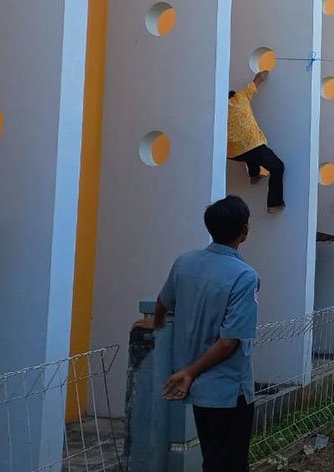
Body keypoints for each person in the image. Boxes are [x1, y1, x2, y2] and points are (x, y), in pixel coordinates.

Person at [134, 196, 260, 472]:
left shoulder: (185, 263)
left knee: (212, 458)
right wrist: (190, 371)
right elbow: (228, 342)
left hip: (198, 389)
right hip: (228, 390)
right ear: (245, 231)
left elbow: (163, 301)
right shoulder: (244, 276)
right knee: (230, 464)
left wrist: (156, 323)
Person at [228, 70, 285, 213]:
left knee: (251, 155)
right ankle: (274, 204)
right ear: (233, 95)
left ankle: (254, 175)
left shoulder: (219, 108)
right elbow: (259, 78)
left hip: (232, 154)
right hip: (251, 146)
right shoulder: (241, 97)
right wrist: (266, 70)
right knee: (277, 167)